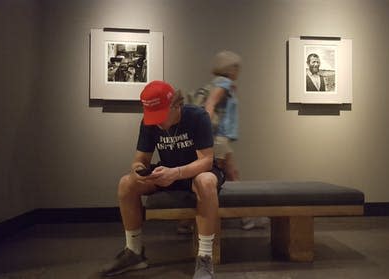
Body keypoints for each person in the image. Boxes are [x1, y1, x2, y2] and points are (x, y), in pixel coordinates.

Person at [101, 80, 225, 279]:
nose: (157, 122)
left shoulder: (197, 117)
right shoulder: (149, 123)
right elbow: (140, 160)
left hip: (197, 172)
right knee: (126, 184)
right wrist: (139, 170)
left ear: (176, 105)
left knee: (206, 182)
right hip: (167, 171)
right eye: (152, 116)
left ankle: (205, 259)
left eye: (161, 115)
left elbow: (206, 161)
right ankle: (134, 252)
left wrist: (175, 173)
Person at [203, 50, 267, 230]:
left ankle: (186, 223)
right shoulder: (223, 82)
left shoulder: (220, 83)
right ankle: (245, 218)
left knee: (226, 176)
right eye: (237, 67)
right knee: (230, 176)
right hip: (219, 139)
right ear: (231, 68)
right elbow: (210, 105)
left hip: (219, 138)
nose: (239, 71)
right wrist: (206, 133)